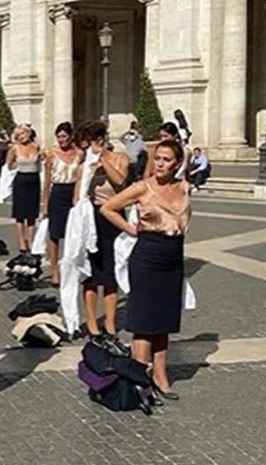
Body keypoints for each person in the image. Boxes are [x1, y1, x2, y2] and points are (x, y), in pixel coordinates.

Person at [101, 141, 190, 400]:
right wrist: (131, 229)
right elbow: (108, 208)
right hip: (147, 255)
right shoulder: (142, 187)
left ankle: (161, 376)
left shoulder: (185, 188)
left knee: (164, 320)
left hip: (173, 257)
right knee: (144, 320)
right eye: (158, 158)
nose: (161, 163)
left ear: (177, 163)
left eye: (167, 159)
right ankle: (141, 379)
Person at [75, 120, 130, 351]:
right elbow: (77, 197)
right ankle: (91, 322)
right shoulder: (84, 166)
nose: (86, 151)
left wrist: (102, 160)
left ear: (99, 142)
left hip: (114, 218)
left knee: (110, 274)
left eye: (89, 145)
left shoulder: (120, 159)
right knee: (90, 273)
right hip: (91, 219)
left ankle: (109, 322)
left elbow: (120, 182)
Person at [42, 123, 82, 287]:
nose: (61, 140)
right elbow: (46, 182)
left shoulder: (80, 154)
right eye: (59, 137)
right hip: (57, 193)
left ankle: (72, 268)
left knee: (74, 233)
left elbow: (82, 177)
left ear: (71, 136)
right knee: (55, 233)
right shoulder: (51, 154)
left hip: (73, 192)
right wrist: (44, 205)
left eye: (64, 136)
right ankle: (54, 271)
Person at [7, 125, 42, 252]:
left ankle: (32, 240)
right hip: (21, 180)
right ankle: (22, 241)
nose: (20, 137)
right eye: (18, 135)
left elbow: (41, 162)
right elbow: (8, 165)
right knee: (20, 214)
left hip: (34, 180)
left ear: (29, 133)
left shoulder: (37, 146)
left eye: (22, 134)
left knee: (32, 214)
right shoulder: (14, 148)